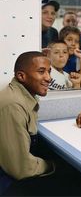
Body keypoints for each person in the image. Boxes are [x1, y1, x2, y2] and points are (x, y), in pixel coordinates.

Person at [0, 51, 54, 194]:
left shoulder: (23, 96)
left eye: (49, 71)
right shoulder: (14, 106)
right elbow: (20, 168)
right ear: (21, 76)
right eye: (41, 72)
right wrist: (52, 165)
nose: (48, 78)